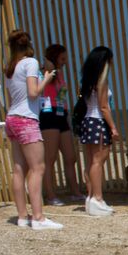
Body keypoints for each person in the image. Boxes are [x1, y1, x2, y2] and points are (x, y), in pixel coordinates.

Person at [4, 29, 62, 230]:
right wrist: (45, 78)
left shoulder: (10, 68)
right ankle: (38, 217)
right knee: (38, 168)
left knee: (19, 168)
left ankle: (22, 216)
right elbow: (33, 92)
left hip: (12, 118)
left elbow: (11, 99)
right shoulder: (30, 63)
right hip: (26, 119)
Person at [74, 46, 119, 218]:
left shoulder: (86, 80)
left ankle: (91, 196)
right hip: (98, 121)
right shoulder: (102, 80)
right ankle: (97, 198)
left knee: (91, 161)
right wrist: (113, 127)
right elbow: (104, 107)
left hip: (87, 120)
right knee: (98, 161)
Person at [39, 44, 84, 206]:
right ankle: (51, 195)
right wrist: (50, 63)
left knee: (71, 156)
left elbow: (62, 95)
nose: (65, 61)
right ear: (55, 57)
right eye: (62, 58)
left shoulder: (60, 74)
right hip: (48, 115)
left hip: (61, 114)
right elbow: (47, 72)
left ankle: (75, 192)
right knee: (50, 158)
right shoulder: (45, 71)